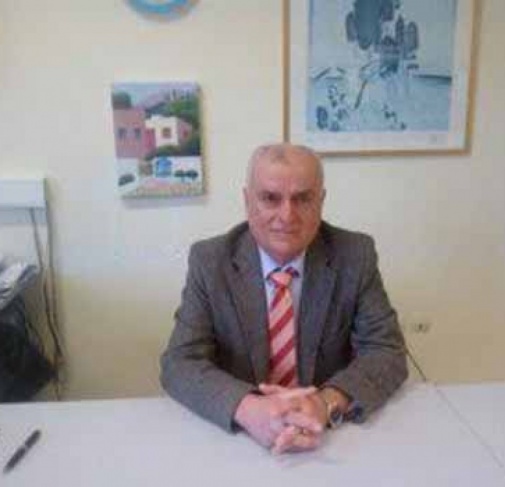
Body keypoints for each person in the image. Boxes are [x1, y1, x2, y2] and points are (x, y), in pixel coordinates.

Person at [160, 143, 407, 454]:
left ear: (321, 201)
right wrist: (247, 408)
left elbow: (386, 351)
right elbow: (180, 362)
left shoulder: (355, 256)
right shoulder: (210, 261)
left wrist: (325, 403)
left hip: (331, 441)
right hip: (238, 444)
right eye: (270, 198)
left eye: (302, 199)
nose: (287, 215)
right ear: (247, 201)